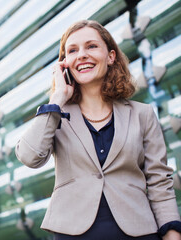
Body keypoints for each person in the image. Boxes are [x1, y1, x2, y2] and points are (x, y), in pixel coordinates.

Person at [15, 20, 181, 240]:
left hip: (139, 232)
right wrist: (57, 98)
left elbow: (159, 183)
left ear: (111, 56)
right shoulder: (55, 115)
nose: (82, 55)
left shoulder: (143, 114)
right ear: (65, 64)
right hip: (73, 233)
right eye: (72, 50)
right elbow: (29, 157)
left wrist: (172, 234)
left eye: (91, 46)